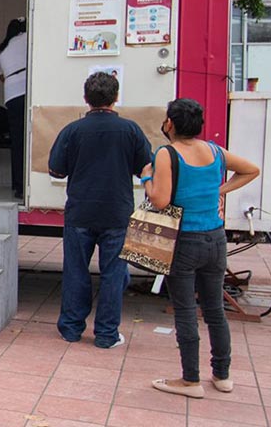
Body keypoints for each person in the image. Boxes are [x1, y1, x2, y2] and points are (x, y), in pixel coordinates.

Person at [146, 99, 259, 398]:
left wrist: (147, 178)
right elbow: (251, 170)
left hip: (184, 241)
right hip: (215, 239)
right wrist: (219, 189)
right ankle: (222, 376)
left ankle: (190, 380)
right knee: (214, 311)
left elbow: (159, 201)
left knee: (185, 311)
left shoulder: (166, 154)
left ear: (170, 123)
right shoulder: (214, 151)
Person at [49, 72, 150, 349]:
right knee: (113, 274)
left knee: (75, 271)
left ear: (86, 98)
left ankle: (70, 329)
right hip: (117, 213)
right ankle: (106, 334)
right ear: (116, 98)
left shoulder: (72, 130)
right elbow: (146, 167)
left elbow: (56, 170)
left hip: (80, 211)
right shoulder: (131, 130)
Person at [0, 18, 28, 198]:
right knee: (27, 139)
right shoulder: (27, 39)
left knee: (16, 140)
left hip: (10, 93)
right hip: (25, 89)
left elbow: (0, 75)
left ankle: (17, 185)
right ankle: (27, 186)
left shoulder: (2, 47)